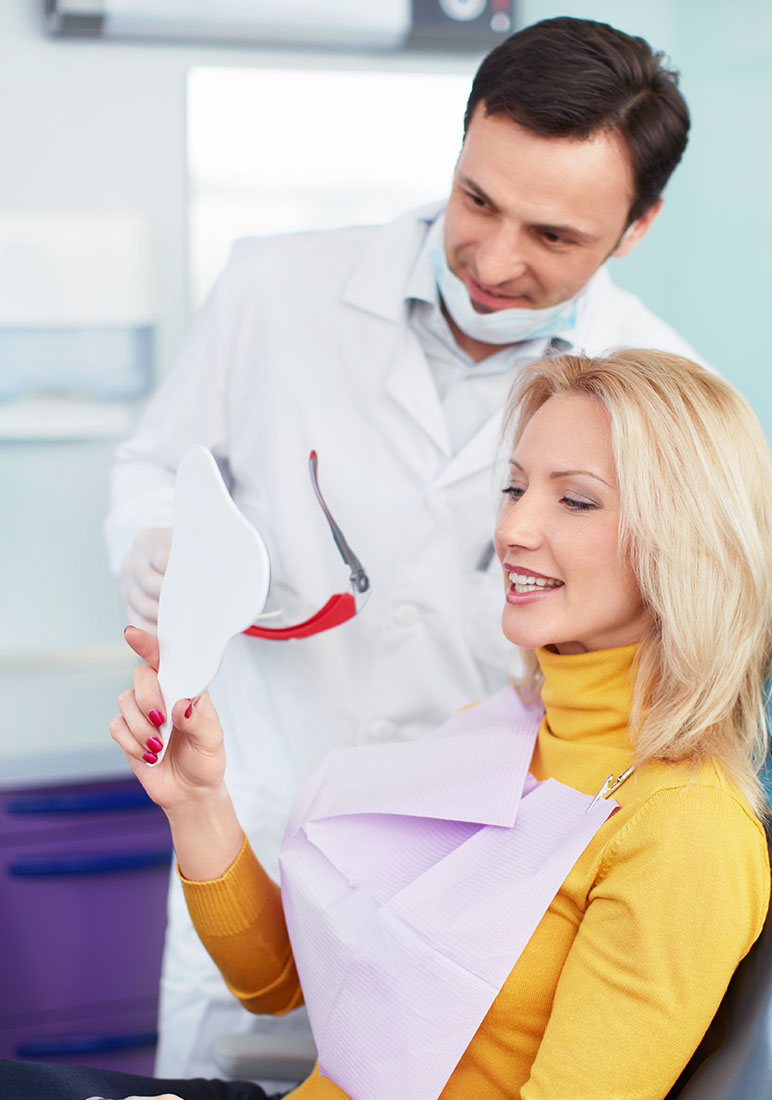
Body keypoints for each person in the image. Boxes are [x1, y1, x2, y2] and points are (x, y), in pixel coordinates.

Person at [104, 16, 703, 1077]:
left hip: (469, 887)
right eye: (479, 199)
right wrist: (157, 542)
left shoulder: (656, 389)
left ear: (639, 226)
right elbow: (156, 465)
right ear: (464, 138)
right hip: (259, 810)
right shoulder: (275, 286)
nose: (494, 257)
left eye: (554, 237)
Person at [5, 349, 772, 1099]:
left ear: (689, 541)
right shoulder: (503, 730)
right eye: (515, 489)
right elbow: (279, 977)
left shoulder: (684, 833)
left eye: (575, 498)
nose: (515, 529)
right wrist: (196, 801)